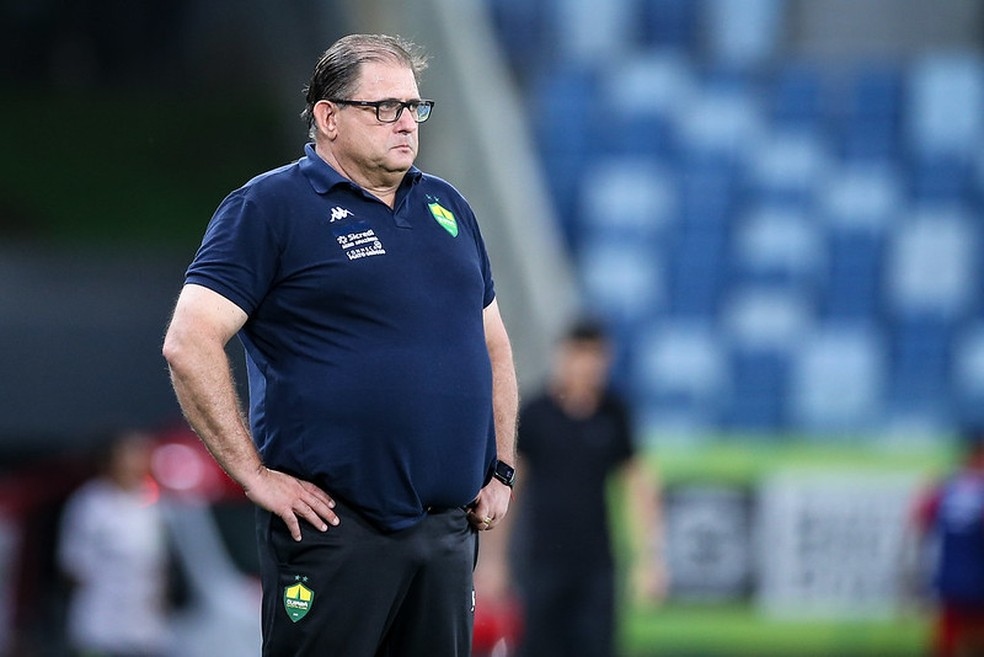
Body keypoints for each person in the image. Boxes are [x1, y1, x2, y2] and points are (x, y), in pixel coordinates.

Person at [161, 33, 519, 657]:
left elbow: (494, 348)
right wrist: (253, 475)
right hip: (335, 530)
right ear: (328, 117)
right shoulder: (270, 207)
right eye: (385, 108)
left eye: (414, 106)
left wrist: (502, 471)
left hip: (447, 531)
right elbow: (188, 342)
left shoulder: (448, 206)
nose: (406, 122)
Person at [509, 318, 664, 657]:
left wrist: (649, 559)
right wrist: (493, 561)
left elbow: (638, 484)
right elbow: (510, 488)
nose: (588, 365)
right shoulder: (535, 413)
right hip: (542, 560)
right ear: (563, 356)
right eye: (580, 353)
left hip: (596, 563)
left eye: (596, 355)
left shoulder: (614, 413)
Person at [57, 430, 170, 657]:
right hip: (99, 628)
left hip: (146, 631)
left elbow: (160, 563)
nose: (137, 462)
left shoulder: (154, 504)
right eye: (130, 455)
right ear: (111, 460)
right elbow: (72, 565)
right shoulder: (90, 503)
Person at [909, 427, 984, 657]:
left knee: (949, 643)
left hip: (952, 579)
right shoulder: (947, 487)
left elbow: (919, 520)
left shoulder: (945, 487)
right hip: (967, 580)